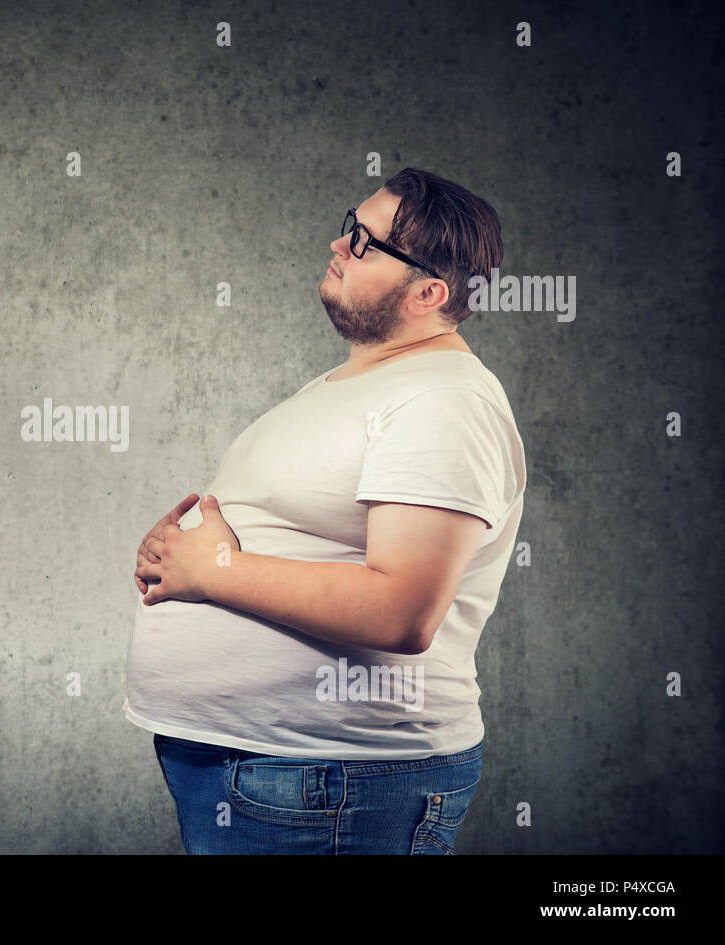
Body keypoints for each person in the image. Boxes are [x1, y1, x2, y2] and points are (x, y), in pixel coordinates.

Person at [125, 168, 526, 854]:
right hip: (279, 774)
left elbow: (401, 610)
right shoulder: (366, 381)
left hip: (335, 784)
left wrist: (215, 571)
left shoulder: (444, 401)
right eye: (352, 224)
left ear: (429, 292)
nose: (340, 244)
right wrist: (179, 556)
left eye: (366, 243)